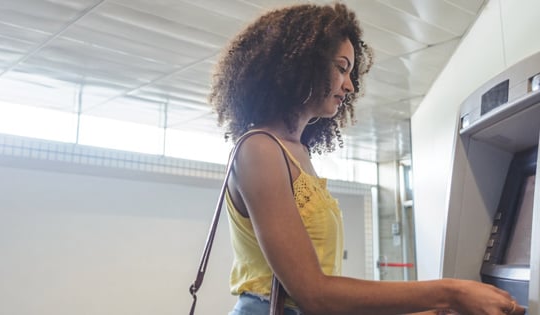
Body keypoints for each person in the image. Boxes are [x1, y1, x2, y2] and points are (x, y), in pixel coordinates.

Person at [208, 2, 527, 315]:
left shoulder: (298, 152)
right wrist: (450, 292)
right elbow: (314, 294)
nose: (349, 85)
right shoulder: (260, 149)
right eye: (341, 68)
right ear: (303, 64)